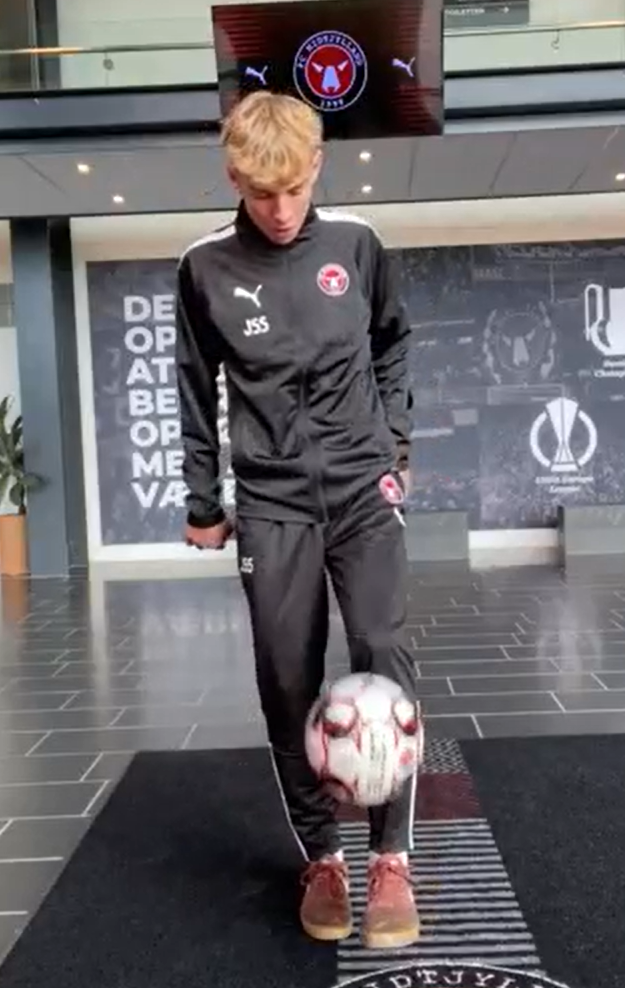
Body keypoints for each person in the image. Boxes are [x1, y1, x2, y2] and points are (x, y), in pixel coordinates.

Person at [176, 90, 419, 950]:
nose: (279, 211)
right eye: (259, 194)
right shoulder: (204, 267)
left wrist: (394, 442)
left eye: (292, 189)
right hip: (272, 500)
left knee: (383, 654)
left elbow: (391, 341)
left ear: (317, 165)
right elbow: (193, 388)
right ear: (233, 179)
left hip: (359, 489)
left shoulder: (356, 245)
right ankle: (323, 857)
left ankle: (391, 857)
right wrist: (203, 503)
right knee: (286, 677)